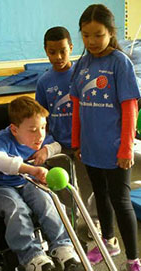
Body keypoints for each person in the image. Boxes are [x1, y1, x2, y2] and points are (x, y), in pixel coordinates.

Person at [70, 4, 141, 270]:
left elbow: (130, 108)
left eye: (98, 34)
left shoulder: (119, 63)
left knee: (121, 202)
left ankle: (134, 258)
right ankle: (108, 242)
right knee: (100, 196)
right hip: (90, 147)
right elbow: (77, 106)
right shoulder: (82, 64)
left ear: (111, 33)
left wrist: (125, 149)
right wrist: (77, 142)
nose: (91, 41)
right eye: (86, 35)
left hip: (115, 148)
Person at [0, 96, 84, 271]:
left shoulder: (41, 139)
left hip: (30, 183)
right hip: (4, 185)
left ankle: (62, 246)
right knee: (17, 210)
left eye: (43, 127)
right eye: (33, 130)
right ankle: (31, 256)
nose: (40, 134)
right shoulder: (1, 138)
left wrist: (46, 151)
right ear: (15, 130)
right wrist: (31, 169)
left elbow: (57, 145)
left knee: (48, 202)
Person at [35, 26, 100, 236]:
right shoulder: (44, 82)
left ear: (71, 47)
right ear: (45, 50)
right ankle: (69, 219)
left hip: (84, 141)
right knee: (62, 185)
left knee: (90, 185)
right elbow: (41, 115)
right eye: (52, 52)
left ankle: (94, 221)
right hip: (58, 143)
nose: (58, 57)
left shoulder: (82, 74)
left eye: (63, 51)